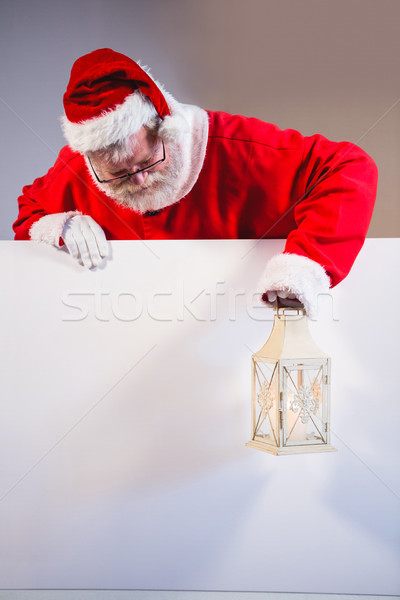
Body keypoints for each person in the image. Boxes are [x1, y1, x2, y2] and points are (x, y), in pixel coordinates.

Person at [13, 48, 378, 318]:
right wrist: (60, 225)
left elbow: (349, 167)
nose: (137, 180)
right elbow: (28, 213)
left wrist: (304, 266)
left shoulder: (240, 147)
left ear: (165, 128)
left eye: (146, 161)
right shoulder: (76, 169)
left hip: (242, 335)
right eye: (118, 174)